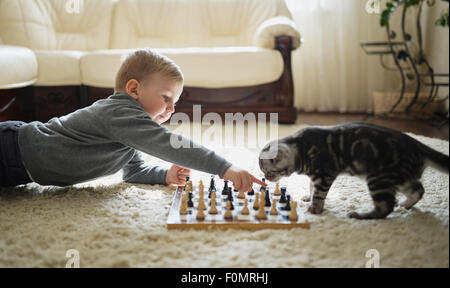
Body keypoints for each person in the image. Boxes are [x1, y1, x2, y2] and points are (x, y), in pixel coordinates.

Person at [0, 49, 266, 192]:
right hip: (10, 147)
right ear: (134, 89)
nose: (171, 109)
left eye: (175, 103)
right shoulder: (118, 114)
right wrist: (226, 169)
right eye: (166, 98)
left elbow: (134, 172)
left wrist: (165, 176)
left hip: (21, 171)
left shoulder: (128, 133)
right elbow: (170, 144)